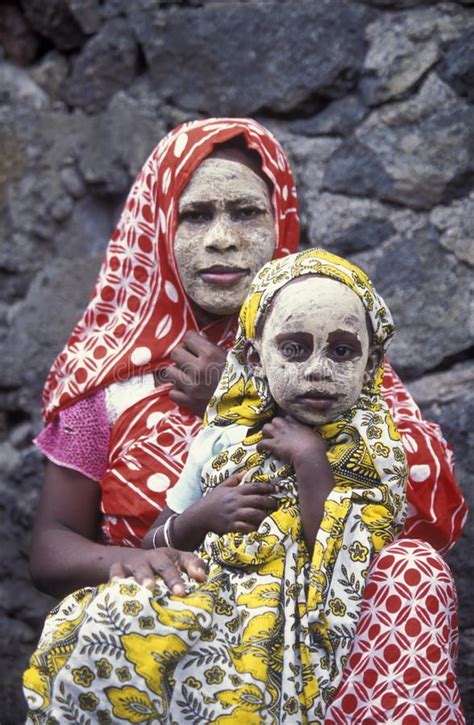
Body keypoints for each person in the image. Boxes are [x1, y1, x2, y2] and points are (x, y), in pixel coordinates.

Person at [24, 119, 466, 721]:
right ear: (157, 228)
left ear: (280, 223)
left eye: (247, 213)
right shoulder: (106, 379)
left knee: (414, 572)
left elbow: (413, 505)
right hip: (164, 616)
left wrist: (236, 401)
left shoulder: (330, 352)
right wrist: (131, 562)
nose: (223, 239)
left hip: (319, 611)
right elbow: (50, 549)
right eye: (196, 215)